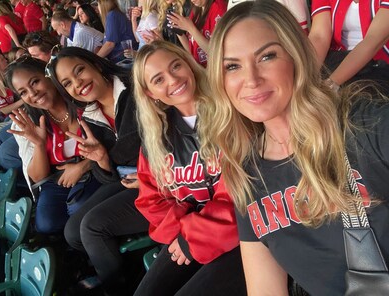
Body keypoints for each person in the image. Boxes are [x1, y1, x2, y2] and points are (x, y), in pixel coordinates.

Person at [205, 1, 389, 295]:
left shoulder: (364, 126)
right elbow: (265, 288)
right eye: (233, 66)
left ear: (296, 56)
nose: (251, 80)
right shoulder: (247, 175)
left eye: (267, 56)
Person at [131, 40, 246, 296]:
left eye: (176, 66)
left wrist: (194, 234)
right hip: (189, 233)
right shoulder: (156, 137)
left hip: (244, 235)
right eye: (158, 80)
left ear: (189, 64)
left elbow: (242, 195)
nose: (173, 80)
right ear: (150, 93)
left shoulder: (230, 111)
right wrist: (189, 229)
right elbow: (151, 201)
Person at [46, 46, 146, 295]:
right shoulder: (89, 116)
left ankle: (118, 288)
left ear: (96, 65)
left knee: (92, 227)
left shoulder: (137, 89)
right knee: (72, 233)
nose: (77, 84)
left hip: (158, 182)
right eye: (67, 83)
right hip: (126, 180)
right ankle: (132, 272)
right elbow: (107, 176)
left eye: (79, 70)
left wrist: (119, 161)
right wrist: (101, 159)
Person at [5, 56, 102, 234]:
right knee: (46, 224)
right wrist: (39, 144)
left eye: (34, 82)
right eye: (23, 92)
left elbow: (114, 144)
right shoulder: (29, 122)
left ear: (49, 75)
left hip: (97, 168)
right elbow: (37, 176)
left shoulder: (81, 97)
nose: (32, 94)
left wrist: (82, 167)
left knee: (76, 210)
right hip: (58, 177)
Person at [308, 0, 389, 90]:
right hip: (338, 59)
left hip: (378, 64)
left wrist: (332, 83)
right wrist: (307, 77)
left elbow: (373, 40)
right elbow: (319, 37)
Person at [166, 0, 226, 67]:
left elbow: (217, 52)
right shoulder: (196, 9)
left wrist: (190, 28)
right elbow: (191, 52)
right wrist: (178, 30)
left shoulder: (218, 8)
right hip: (201, 71)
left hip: (214, 70)